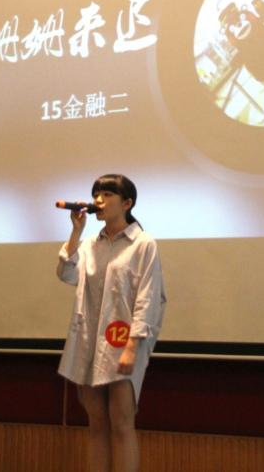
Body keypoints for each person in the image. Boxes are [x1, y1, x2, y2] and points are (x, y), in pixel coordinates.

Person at [57, 174, 166, 472]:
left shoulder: (143, 244)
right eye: (96, 194)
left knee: (121, 423)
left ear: (127, 203)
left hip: (124, 343)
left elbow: (148, 299)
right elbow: (66, 274)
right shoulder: (91, 243)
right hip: (89, 342)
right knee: (96, 424)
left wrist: (132, 347)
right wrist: (76, 232)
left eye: (106, 194)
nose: (98, 200)